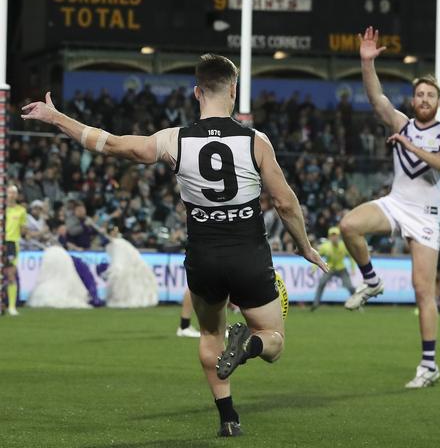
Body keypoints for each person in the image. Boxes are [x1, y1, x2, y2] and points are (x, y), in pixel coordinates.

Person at [21, 53, 327, 437]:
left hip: (203, 256)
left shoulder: (174, 139)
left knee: (209, 336)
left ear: (197, 91)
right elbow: (285, 202)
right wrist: (304, 246)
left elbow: (112, 145)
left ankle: (228, 419)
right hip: (248, 252)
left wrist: (57, 118)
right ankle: (248, 346)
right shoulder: (256, 141)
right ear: (233, 90)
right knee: (274, 341)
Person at [340, 27, 440, 388]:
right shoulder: (402, 123)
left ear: (438, 102)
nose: (424, 99)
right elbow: (376, 97)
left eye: (430, 95)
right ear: (413, 100)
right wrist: (366, 63)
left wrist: (412, 147)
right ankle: (372, 281)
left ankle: (429, 365)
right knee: (348, 225)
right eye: (419, 94)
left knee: (423, 290)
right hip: (396, 203)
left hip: (425, 215)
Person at [310, 226, 355, 311]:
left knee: (349, 287)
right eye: (332, 235)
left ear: (339, 236)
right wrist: (314, 269)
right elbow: (317, 257)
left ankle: (357, 303)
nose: (334, 238)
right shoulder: (325, 246)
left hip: (341, 269)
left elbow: (351, 257)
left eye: (336, 235)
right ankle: (315, 304)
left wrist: (353, 268)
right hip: (329, 269)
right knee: (321, 284)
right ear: (329, 237)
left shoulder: (343, 246)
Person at [3, 185, 27, 316]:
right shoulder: (2, 210)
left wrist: (26, 232)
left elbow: (24, 230)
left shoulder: (21, 211)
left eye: (14, 193)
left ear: (16, 195)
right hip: (2, 242)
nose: (11, 195)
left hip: (12, 243)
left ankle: (12, 307)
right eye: (9, 192)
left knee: (10, 274)